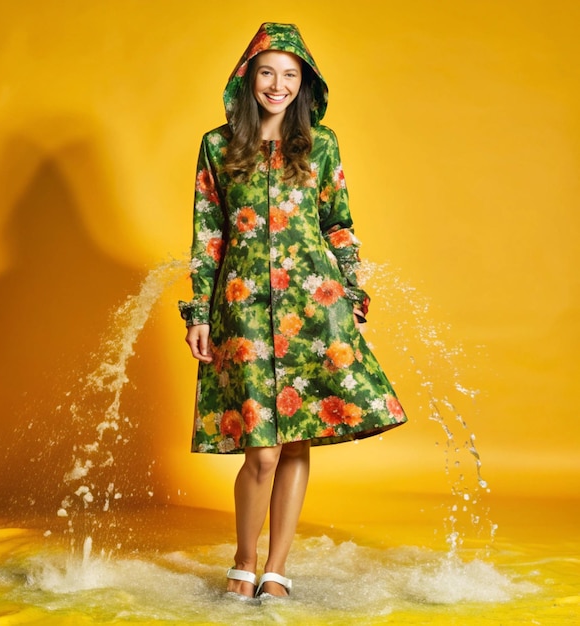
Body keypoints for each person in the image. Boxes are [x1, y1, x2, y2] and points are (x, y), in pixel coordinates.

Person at [179, 22, 407, 600]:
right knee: (262, 447)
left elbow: (339, 224)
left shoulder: (322, 143)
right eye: (267, 72)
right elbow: (208, 234)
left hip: (314, 304)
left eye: (290, 74)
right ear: (247, 76)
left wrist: (353, 294)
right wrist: (199, 313)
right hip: (244, 306)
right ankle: (244, 558)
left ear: (303, 82)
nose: (277, 85)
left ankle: (276, 567)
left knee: (297, 438)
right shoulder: (217, 144)